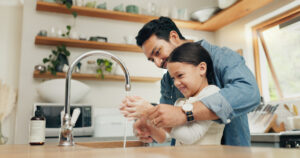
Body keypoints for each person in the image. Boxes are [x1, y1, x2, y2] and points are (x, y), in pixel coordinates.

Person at [124, 16, 260, 146]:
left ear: (174, 37)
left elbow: (249, 92)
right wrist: (151, 127)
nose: (158, 63)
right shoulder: (167, 81)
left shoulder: (222, 57)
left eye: (158, 52)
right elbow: (170, 130)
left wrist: (185, 113)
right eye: (152, 60)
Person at [121, 43, 225, 146]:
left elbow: (189, 137)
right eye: (173, 78)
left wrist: (149, 111)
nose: (176, 83)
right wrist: (149, 125)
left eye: (180, 75)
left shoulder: (212, 94)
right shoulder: (181, 102)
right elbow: (165, 137)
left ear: (202, 68)